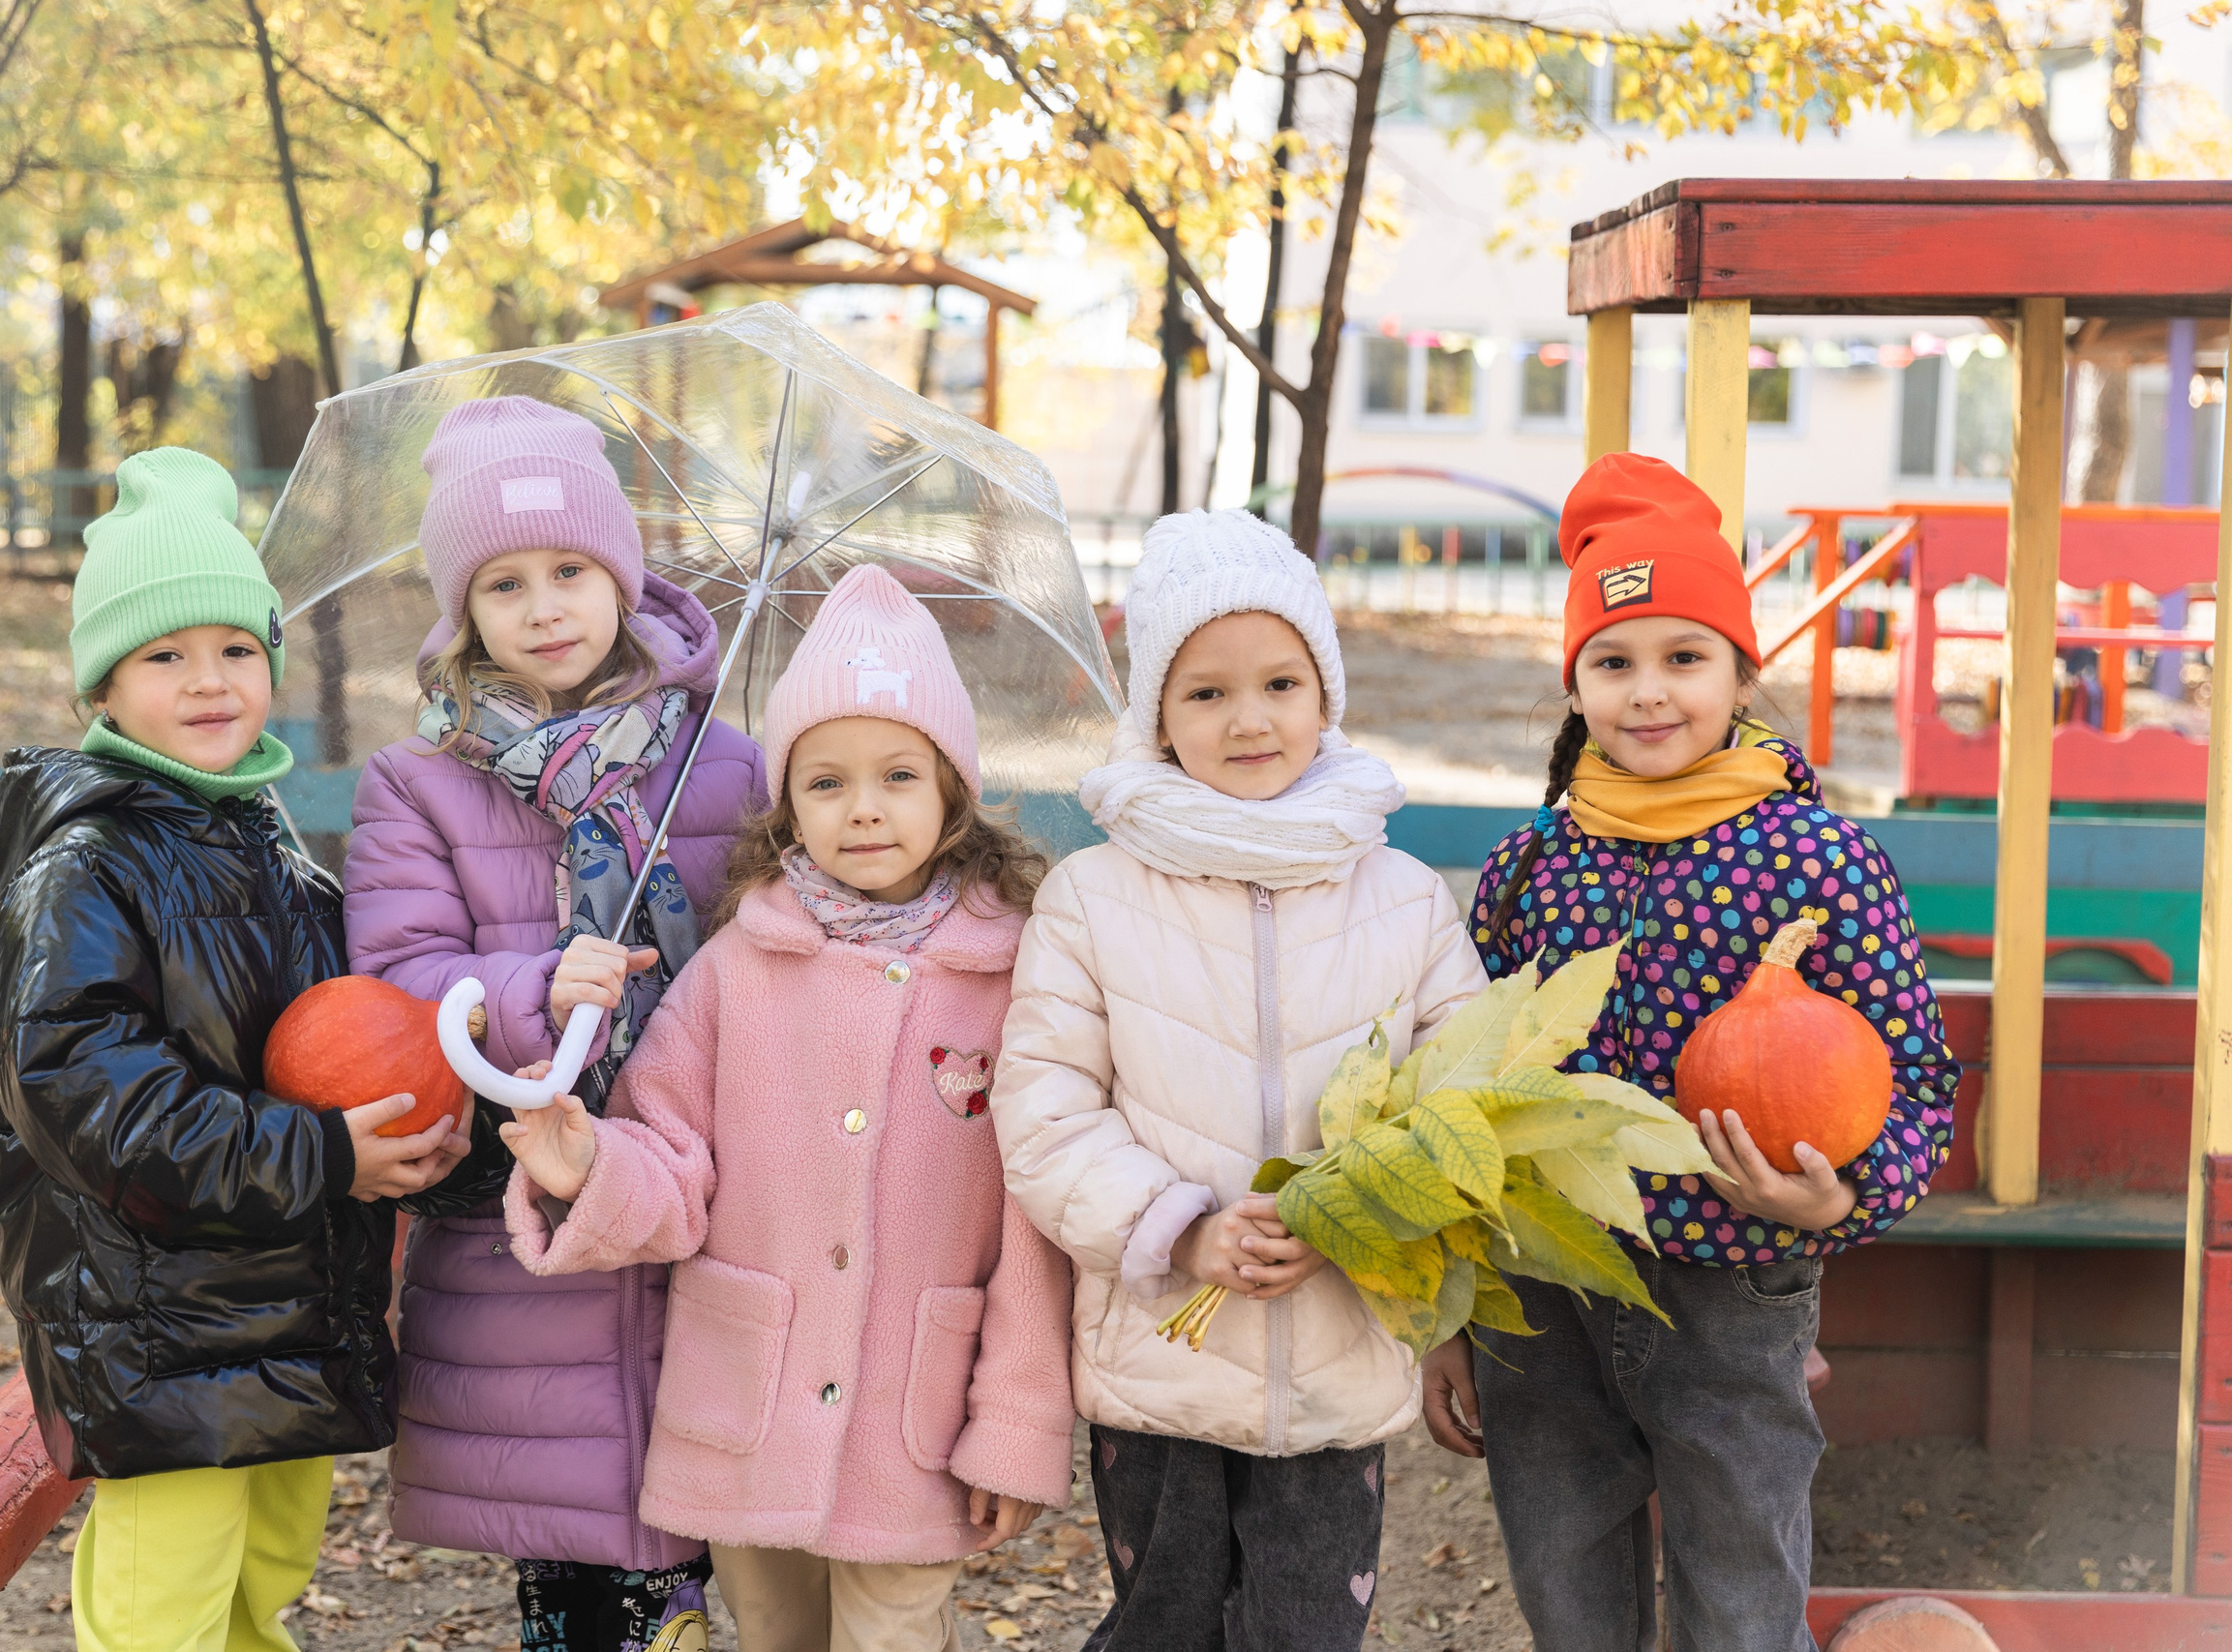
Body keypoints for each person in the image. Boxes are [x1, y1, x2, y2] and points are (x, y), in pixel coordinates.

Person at [1423, 453, 1960, 1652]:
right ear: (1574, 684)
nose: (1647, 693)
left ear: (1738, 672)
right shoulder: (1528, 868)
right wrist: (1453, 1311)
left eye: (1683, 657)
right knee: (1566, 1581)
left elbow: (1916, 1076)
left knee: (1739, 1580)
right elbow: (1458, 1087)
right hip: (1543, 1281)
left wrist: (1840, 1197)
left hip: (1731, 1272)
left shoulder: (1819, 861)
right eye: (1612, 662)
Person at [497, 566, 1075, 1652]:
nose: (863, 807)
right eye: (826, 782)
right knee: (770, 1636)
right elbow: (674, 1161)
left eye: (900, 775)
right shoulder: (737, 967)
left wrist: (1015, 1427)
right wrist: (585, 1165)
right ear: (786, 802)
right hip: (747, 1403)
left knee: (894, 1635)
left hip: (919, 1413)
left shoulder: (1014, 977)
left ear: (953, 787)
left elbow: (1035, 1232)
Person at [0, 448, 468, 1652]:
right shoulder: (84, 867)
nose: (208, 680)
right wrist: (315, 1156)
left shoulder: (273, 851)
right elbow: (83, 1087)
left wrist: (419, 1107)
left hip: (287, 1295)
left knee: (266, 1569)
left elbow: (343, 1038)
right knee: (164, 1605)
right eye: (165, 654)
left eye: (236, 649)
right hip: (156, 1313)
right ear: (104, 686)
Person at [991, 509, 1488, 1652]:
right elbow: (1045, 1112)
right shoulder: (1093, 899)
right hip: (1161, 1352)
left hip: (1336, 1351)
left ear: (1326, 697)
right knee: (1162, 1624)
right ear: (1156, 718)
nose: (1248, 718)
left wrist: (1357, 1218)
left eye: (1279, 682)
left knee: (1307, 1633)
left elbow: (1458, 1101)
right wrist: (1182, 1230)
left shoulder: (1403, 897)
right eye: (1204, 692)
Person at [345, 395, 764, 1649]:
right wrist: (534, 986)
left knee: (687, 1561)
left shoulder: (720, 765)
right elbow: (400, 972)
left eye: (572, 568)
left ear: (623, 578)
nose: (544, 604)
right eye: (504, 582)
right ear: (461, 611)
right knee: (567, 1564)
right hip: (522, 1210)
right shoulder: (416, 782)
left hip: (693, 1190)